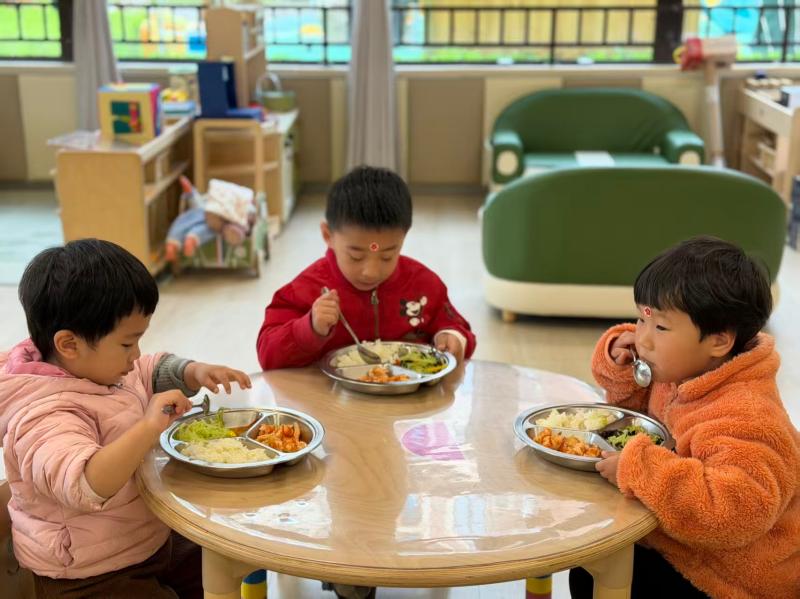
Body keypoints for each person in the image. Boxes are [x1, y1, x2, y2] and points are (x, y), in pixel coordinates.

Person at [0, 239, 251, 598]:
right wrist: (148, 427)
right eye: (126, 344)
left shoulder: (97, 366)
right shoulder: (42, 414)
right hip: (89, 574)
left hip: (142, 537)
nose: (136, 354)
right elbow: (84, 483)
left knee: (219, 553)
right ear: (68, 344)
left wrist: (194, 371)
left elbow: (147, 370)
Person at [570, 236, 800, 599]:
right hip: (683, 542)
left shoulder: (749, 416)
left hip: (731, 580)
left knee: (599, 570)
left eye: (661, 328)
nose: (642, 340)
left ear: (719, 341)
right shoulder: (682, 370)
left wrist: (642, 468)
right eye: (641, 318)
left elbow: (733, 513)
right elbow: (638, 422)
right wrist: (624, 371)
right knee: (589, 562)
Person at [257, 165, 476, 370]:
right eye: (356, 256)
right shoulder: (307, 289)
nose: (371, 272)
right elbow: (267, 355)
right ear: (328, 235)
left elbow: (457, 328)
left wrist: (451, 337)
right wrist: (310, 328)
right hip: (329, 396)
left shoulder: (423, 285)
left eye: (387, 256)